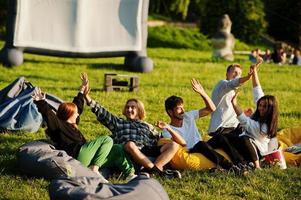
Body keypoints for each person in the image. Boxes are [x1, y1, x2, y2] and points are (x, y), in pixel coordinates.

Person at [32, 73, 135, 181]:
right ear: (69, 114)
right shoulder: (59, 126)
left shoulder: (72, 123)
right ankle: (94, 169)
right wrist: (41, 102)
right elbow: (49, 115)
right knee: (107, 139)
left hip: (87, 155)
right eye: (75, 113)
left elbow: (78, 106)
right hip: (79, 155)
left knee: (117, 148)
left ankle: (130, 175)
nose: (78, 114)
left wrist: (82, 90)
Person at [82, 73, 181, 179]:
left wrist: (167, 128)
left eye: (133, 107)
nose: (129, 109)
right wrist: (86, 97)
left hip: (146, 151)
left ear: (139, 110)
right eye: (127, 107)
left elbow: (162, 140)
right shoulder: (119, 123)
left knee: (174, 145)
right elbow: (101, 112)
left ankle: (152, 169)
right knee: (130, 144)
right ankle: (158, 172)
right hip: (128, 152)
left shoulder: (147, 126)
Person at [161, 78, 243, 172]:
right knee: (201, 144)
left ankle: (241, 163)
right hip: (191, 150)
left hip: (202, 145)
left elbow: (211, 108)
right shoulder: (167, 130)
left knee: (220, 137)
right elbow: (182, 143)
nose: (183, 111)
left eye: (183, 108)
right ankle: (230, 167)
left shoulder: (188, 116)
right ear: (170, 112)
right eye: (179, 109)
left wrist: (202, 92)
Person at [229, 63, 279, 168]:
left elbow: (246, 122)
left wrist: (234, 104)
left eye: (263, 107)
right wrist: (254, 71)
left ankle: (257, 166)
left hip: (258, 152)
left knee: (245, 138)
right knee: (226, 137)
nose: (260, 108)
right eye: (260, 105)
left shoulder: (265, 127)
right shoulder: (262, 110)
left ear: (270, 109)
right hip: (248, 144)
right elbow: (257, 91)